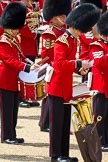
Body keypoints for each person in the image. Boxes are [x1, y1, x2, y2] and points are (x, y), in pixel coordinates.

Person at [46, 3, 100, 162]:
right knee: (56, 126)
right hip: (56, 88)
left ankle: (64, 153)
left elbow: (68, 64)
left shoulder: (72, 39)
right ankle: (55, 156)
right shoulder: (62, 40)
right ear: (77, 26)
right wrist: (77, 64)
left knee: (63, 124)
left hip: (66, 87)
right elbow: (58, 64)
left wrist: (79, 70)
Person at [0, 2, 39, 144]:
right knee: (7, 111)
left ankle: (12, 134)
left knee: (14, 110)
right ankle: (6, 136)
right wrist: (26, 67)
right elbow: (9, 60)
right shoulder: (3, 41)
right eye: (16, 28)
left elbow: (21, 56)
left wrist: (30, 62)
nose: (18, 30)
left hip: (13, 79)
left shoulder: (14, 39)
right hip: (5, 80)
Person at [39, 0, 71, 132]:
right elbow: (46, 54)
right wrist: (48, 66)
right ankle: (45, 122)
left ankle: (45, 122)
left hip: (60, 67)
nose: (64, 18)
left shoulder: (63, 31)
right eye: (62, 16)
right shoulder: (50, 33)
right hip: (52, 67)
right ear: (53, 17)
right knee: (49, 96)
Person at [89, 11, 108, 152]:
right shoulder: (97, 45)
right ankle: (99, 142)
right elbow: (98, 62)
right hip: (100, 86)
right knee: (100, 116)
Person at [19, 0, 41, 107]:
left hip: (31, 46)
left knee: (30, 74)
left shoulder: (30, 10)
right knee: (23, 73)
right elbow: (21, 29)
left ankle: (28, 96)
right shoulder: (21, 10)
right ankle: (21, 98)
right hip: (24, 46)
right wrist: (35, 34)